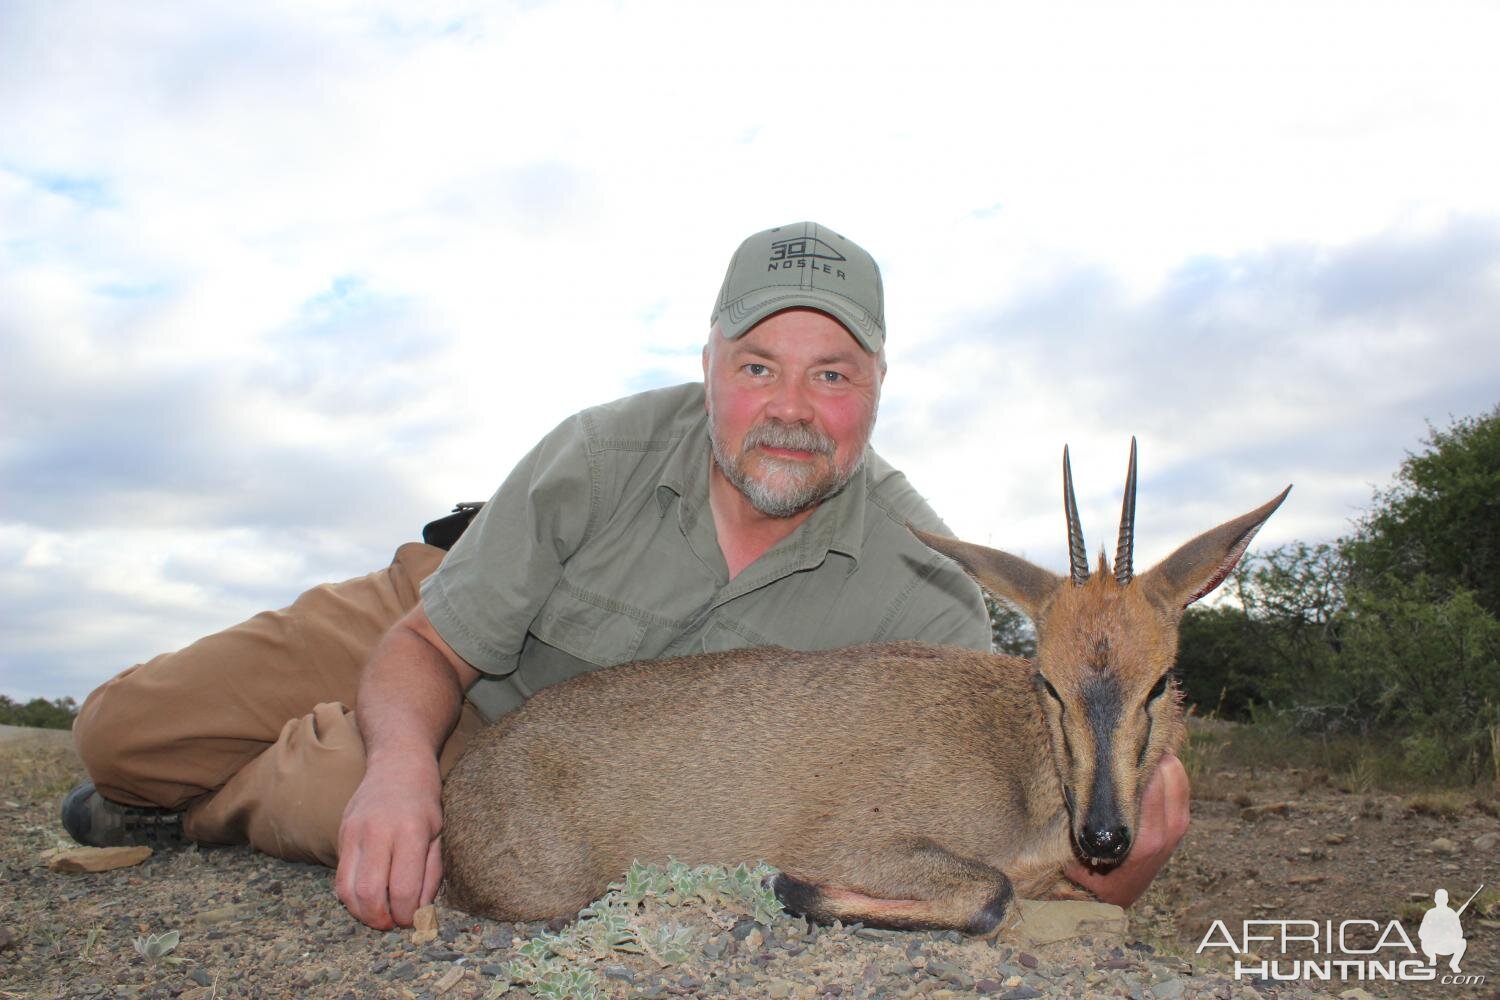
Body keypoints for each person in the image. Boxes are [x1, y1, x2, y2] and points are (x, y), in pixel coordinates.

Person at [64, 221, 1190, 930]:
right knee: (123, 731)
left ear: (877, 387)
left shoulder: (926, 578)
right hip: (446, 620)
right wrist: (398, 764)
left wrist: (1134, 820)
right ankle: (163, 772)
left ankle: (197, 815)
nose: (792, 407)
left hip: (570, 751)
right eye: (759, 366)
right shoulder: (603, 450)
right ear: (709, 365)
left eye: (832, 374)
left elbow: (1034, 768)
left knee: (344, 806)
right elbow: (433, 649)